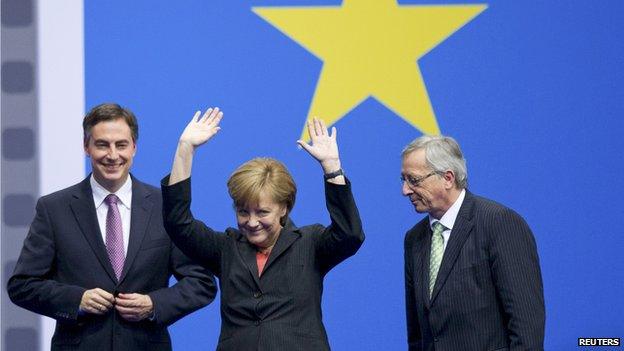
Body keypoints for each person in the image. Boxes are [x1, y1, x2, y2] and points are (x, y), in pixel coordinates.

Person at [7, 103, 217, 351]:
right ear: (87, 147)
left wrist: (154, 304)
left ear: (134, 147)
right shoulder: (54, 208)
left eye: (121, 145)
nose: (113, 155)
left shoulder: (164, 207)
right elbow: (22, 285)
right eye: (102, 144)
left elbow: (202, 282)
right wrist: (77, 299)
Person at [161, 108, 364, 350]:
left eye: (263, 212)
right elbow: (178, 223)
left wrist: (332, 168)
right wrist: (185, 149)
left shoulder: (310, 243)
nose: (252, 222)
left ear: (284, 208)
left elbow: (350, 235)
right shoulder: (225, 248)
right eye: (243, 212)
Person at [401, 135, 545, 351]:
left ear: (448, 178)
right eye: (403, 180)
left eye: (414, 180)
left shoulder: (499, 223)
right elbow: (417, 335)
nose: (405, 190)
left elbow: (526, 325)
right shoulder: (414, 238)